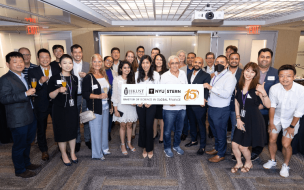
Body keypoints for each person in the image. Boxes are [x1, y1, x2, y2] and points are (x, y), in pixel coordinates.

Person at [0, 52, 40, 178]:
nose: (19, 64)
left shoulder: (23, 76)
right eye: (15, 61)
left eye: (21, 61)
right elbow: (4, 99)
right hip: (18, 119)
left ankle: (27, 163)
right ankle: (20, 170)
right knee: (19, 145)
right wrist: (25, 94)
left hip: (29, 115)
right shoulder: (5, 79)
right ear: (8, 64)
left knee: (28, 142)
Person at [263, 65, 304, 178]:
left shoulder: (301, 90)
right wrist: (271, 122)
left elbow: (299, 112)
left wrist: (291, 126)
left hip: (292, 120)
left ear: (294, 76)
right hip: (276, 117)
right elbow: (272, 106)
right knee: (272, 139)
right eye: (282, 76)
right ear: (278, 76)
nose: (285, 78)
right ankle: (272, 160)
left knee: (286, 144)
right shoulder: (274, 88)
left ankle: (286, 165)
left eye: (288, 76)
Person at [231, 62, 270, 174]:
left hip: (253, 120)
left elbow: (268, 105)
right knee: (234, 144)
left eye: (252, 72)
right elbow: (237, 103)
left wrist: (263, 92)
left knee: (243, 147)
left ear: (255, 74)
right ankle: (239, 162)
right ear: (243, 71)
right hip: (241, 119)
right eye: (247, 70)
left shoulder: (258, 87)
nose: (249, 74)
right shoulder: (238, 86)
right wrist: (238, 119)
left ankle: (248, 162)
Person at [28, 48, 60, 161]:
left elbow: (61, 83)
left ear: (50, 58)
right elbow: (32, 89)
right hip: (41, 103)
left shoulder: (57, 69)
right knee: (42, 128)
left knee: (58, 125)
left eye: (47, 57)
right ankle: (44, 150)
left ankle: (61, 146)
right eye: (42, 57)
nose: (45, 59)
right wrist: (40, 82)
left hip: (56, 102)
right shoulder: (33, 71)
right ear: (38, 59)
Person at [204, 55, 236, 163]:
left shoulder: (230, 77)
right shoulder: (216, 75)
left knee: (221, 132)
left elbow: (226, 94)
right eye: (217, 62)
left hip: (221, 109)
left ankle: (221, 154)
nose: (219, 64)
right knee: (214, 131)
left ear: (227, 64)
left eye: (222, 62)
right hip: (212, 107)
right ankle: (217, 148)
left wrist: (211, 87)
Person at [48, 54, 78, 166]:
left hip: (72, 109)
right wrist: (58, 90)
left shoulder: (74, 78)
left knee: (72, 131)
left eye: (70, 63)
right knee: (61, 132)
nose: (67, 65)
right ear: (60, 64)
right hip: (59, 110)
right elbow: (50, 96)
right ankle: (64, 154)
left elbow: (74, 95)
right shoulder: (54, 78)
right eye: (64, 63)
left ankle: (73, 153)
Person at [251, 48, 279, 161]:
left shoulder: (276, 73)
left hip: (265, 109)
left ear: (271, 59)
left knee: (260, 132)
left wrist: (262, 104)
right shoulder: (251, 70)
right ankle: (247, 148)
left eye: (267, 57)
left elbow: (277, 93)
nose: (264, 59)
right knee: (249, 130)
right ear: (258, 57)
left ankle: (256, 150)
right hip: (250, 106)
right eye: (262, 56)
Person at [82, 54, 111, 160]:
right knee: (96, 131)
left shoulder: (104, 75)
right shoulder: (88, 77)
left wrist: (110, 105)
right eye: (95, 61)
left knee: (104, 130)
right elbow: (85, 94)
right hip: (95, 108)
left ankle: (104, 149)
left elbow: (108, 92)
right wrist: (98, 96)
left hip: (106, 107)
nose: (97, 64)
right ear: (91, 63)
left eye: (99, 61)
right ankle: (97, 154)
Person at [160, 55, 188, 158]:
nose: (175, 65)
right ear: (169, 65)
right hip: (169, 108)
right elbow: (160, 92)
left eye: (177, 63)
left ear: (179, 64)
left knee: (179, 130)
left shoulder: (183, 74)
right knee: (167, 131)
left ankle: (176, 145)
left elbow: (186, 89)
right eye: (173, 63)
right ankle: (167, 148)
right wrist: (168, 100)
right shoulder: (164, 76)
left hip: (182, 107)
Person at [135, 55, 160, 158]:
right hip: (140, 105)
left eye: (147, 62)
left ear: (151, 64)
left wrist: (151, 101)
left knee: (149, 126)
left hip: (151, 104)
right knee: (142, 125)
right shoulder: (137, 74)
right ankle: (144, 147)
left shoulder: (156, 75)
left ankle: (150, 148)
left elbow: (158, 90)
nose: (145, 65)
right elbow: (135, 90)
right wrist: (138, 101)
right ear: (141, 64)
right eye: (143, 62)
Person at [185, 57, 211, 155]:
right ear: (193, 62)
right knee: (191, 123)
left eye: (199, 63)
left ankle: (202, 145)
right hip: (189, 103)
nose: (197, 64)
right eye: (195, 62)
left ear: (202, 64)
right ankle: (194, 140)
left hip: (200, 104)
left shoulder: (206, 75)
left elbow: (207, 89)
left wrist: (204, 98)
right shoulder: (189, 74)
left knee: (201, 125)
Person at [112, 61, 137, 155]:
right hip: (121, 106)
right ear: (121, 69)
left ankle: (129, 143)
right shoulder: (116, 79)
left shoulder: (133, 79)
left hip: (131, 106)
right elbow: (114, 95)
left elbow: (136, 93)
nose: (127, 69)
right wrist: (115, 109)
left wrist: (136, 101)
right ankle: (122, 144)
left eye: (128, 67)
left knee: (130, 125)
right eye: (125, 67)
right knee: (122, 125)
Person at [71, 44, 91, 152]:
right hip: (73, 96)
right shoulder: (69, 65)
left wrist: (86, 76)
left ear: (82, 53)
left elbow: (92, 79)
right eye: (75, 52)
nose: (78, 54)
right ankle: (77, 141)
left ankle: (87, 139)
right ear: (72, 54)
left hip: (85, 96)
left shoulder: (88, 65)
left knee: (86, 118)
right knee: (76, 120)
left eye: (79, 52)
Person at [227, 52, 243, 161]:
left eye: (236, 59)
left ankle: (234, 150)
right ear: (228, 59)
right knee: (221, 126)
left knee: (234, 126)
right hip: (222, 103)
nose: (234, 60)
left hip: (236, 104)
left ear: (239, 60)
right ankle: (221, 147)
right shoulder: (222, 71)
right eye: (232, 58)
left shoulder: (243, 73)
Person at [152, 54, 168, 143]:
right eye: (157, 59)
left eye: (160, 60)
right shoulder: (151, 71)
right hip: (153, 97)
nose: (158, 61)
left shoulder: (166, 72)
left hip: (163, 97)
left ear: (163, 61)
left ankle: (161, 135)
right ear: (154, 61)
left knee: (161, 118)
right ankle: (154, 133)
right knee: (154, 117)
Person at [181, 52, 196, 141]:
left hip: (195, 96)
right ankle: (185, 132)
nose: (190, 59)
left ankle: (194, 132)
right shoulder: (182, 69)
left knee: (194, 116)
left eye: (192, 57)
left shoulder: (199, 69)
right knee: (185, 115)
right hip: (185, 95)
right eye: (189, 57)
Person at [124, 50, 139, 139]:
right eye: (128, 56)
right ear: (126, 57)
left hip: (134, 92)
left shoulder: (136, 68)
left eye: (132, 57)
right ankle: (125, 130)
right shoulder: (122, 66)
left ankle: (132, 131)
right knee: (125, 113)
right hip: (125, 92)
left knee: (134, 113)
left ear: (134, 58)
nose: (130, 58)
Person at [104, 56, 117, 141]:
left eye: (111, 61)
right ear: (104, 61)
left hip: (111, 96)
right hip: (102, 95)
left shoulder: (114, 72)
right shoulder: (100, 71)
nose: (109, 62)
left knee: (109, 115)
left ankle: (108, 133)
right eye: (108, 60)